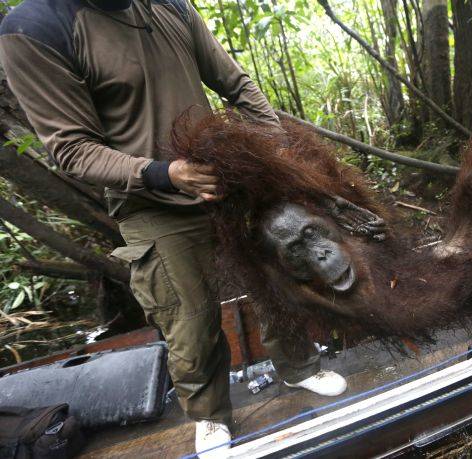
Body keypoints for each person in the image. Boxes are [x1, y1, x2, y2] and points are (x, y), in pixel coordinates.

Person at [0, 0, 347, 455]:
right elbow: (72, 148)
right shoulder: (38, 27)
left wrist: (273, 145)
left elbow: (235, 82)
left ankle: (299, 367)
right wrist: (164, 173)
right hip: (151, 199)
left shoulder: (170, 6)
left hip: (227, 180)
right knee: (189, 318)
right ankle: (210, 414)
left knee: (275, 280)